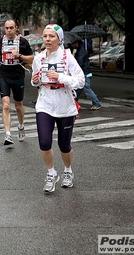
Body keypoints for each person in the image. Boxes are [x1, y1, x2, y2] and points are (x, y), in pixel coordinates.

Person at [31, 24, 85, 193]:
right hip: (45, 103)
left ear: (59, 39)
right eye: (45, 36)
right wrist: (35, 80)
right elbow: (36, 81)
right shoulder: (38, 58)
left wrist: (61, 77)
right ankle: (51, 173)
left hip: (64, 103)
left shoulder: (67, 57)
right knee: (44, 142)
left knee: (64, 144)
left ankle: (68, 171)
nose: (47, 39)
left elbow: (81, 80)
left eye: (51, 36)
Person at [0, 19, 34, 145]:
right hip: (4, 74)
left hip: (18, 75)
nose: (9, 30)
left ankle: (21, 126)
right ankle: (8, 134)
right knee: (5, 105)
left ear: (16, 28)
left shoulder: (22, 42)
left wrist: (19, 56)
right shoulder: (0, 41)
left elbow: (31, 58)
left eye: (11, 28)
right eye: (6, 28)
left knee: (18, 106)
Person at [70, 40, 101, 110]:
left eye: (72, 44)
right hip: (85, 72)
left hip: (84, 73)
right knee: (78, 89)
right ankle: (74, 103)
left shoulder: (81, 52)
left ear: (76, 43)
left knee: (86, 88)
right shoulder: (79, 50)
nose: (71, 45)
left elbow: (79, 64)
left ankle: (96, 103)